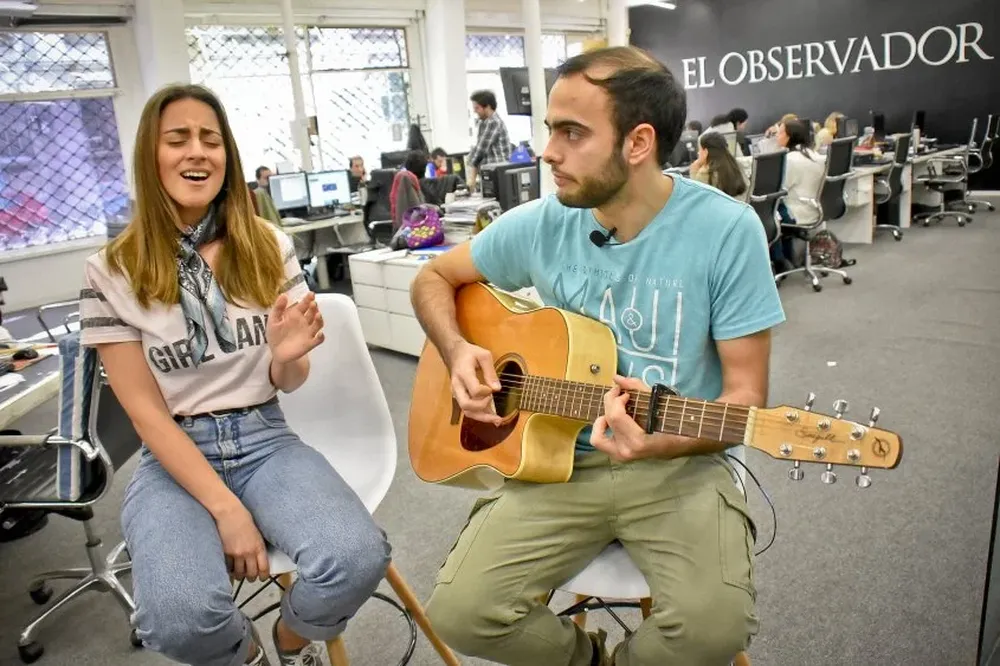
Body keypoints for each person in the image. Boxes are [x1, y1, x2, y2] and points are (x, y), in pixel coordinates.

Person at [411, 46, 784, 665]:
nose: (548, 151)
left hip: (678, 467)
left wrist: (660, 441)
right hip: (557, 462)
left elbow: (745, 398)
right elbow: (432, 278)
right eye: (550, 130)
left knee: (713, 630)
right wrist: (456, 351)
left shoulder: (726, 230)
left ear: (638, 144)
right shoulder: (540, 222)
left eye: (572, 133)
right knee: (462, 613)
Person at [79, 83, 391, 666]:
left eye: (211, 140)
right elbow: (145, 412)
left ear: (228, 157)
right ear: (152, 155)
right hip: (174, 452)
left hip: (264, 437)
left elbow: (290, 381)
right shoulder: (111, 270)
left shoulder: (267, 245)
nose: (197, 152)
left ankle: (292, 642)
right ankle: (243, 655)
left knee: (357, 556)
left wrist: (286, 356)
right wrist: (226, 508)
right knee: (176, 619)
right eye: (178, 139)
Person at [466, 89, 511, 191]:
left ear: (487, 106)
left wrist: (471, 178)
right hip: (491, 172)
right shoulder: (484, 123)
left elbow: (480, 150)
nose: (474, 111)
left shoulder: (493, 122)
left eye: (477, 108)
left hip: (497, 172)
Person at [689, 132, 749, 200]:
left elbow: (697, 199)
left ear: (705, 152)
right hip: (739, 208)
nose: (698, 153)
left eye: (700, 150)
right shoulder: (736, 165)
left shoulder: (705, 173)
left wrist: (694, 171)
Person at [390, 149, 427, 229]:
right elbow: (419, 212)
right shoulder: (407, 180)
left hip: (400, 231)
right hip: (410, 233)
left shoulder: (402, 178)